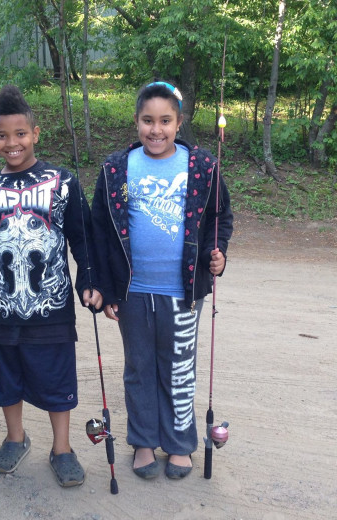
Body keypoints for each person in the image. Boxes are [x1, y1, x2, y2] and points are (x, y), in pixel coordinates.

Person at [0, 85, 103, 488]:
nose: (12, 143)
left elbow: (83, 238)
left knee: (57, 380)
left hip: (50, 310)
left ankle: (62, 448)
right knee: (6, 379)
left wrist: (89, 282)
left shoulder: (63, 183)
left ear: (36, 134)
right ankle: (15, 438)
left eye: (20, 134)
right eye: (3, 136)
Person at [91, 81, 233, 480]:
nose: (156, 130)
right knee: (139, 367)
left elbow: (220, 220)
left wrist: (215, 254)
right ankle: (142, 442)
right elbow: (100, 230)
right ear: (136, 121)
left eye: (165, 121)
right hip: (132, 292)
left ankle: (179, 445)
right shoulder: (116, 169)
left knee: (178, 369)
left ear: (179, 122)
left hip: (183, 294)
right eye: (148, 121)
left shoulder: (202, 166)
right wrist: (105, 288)